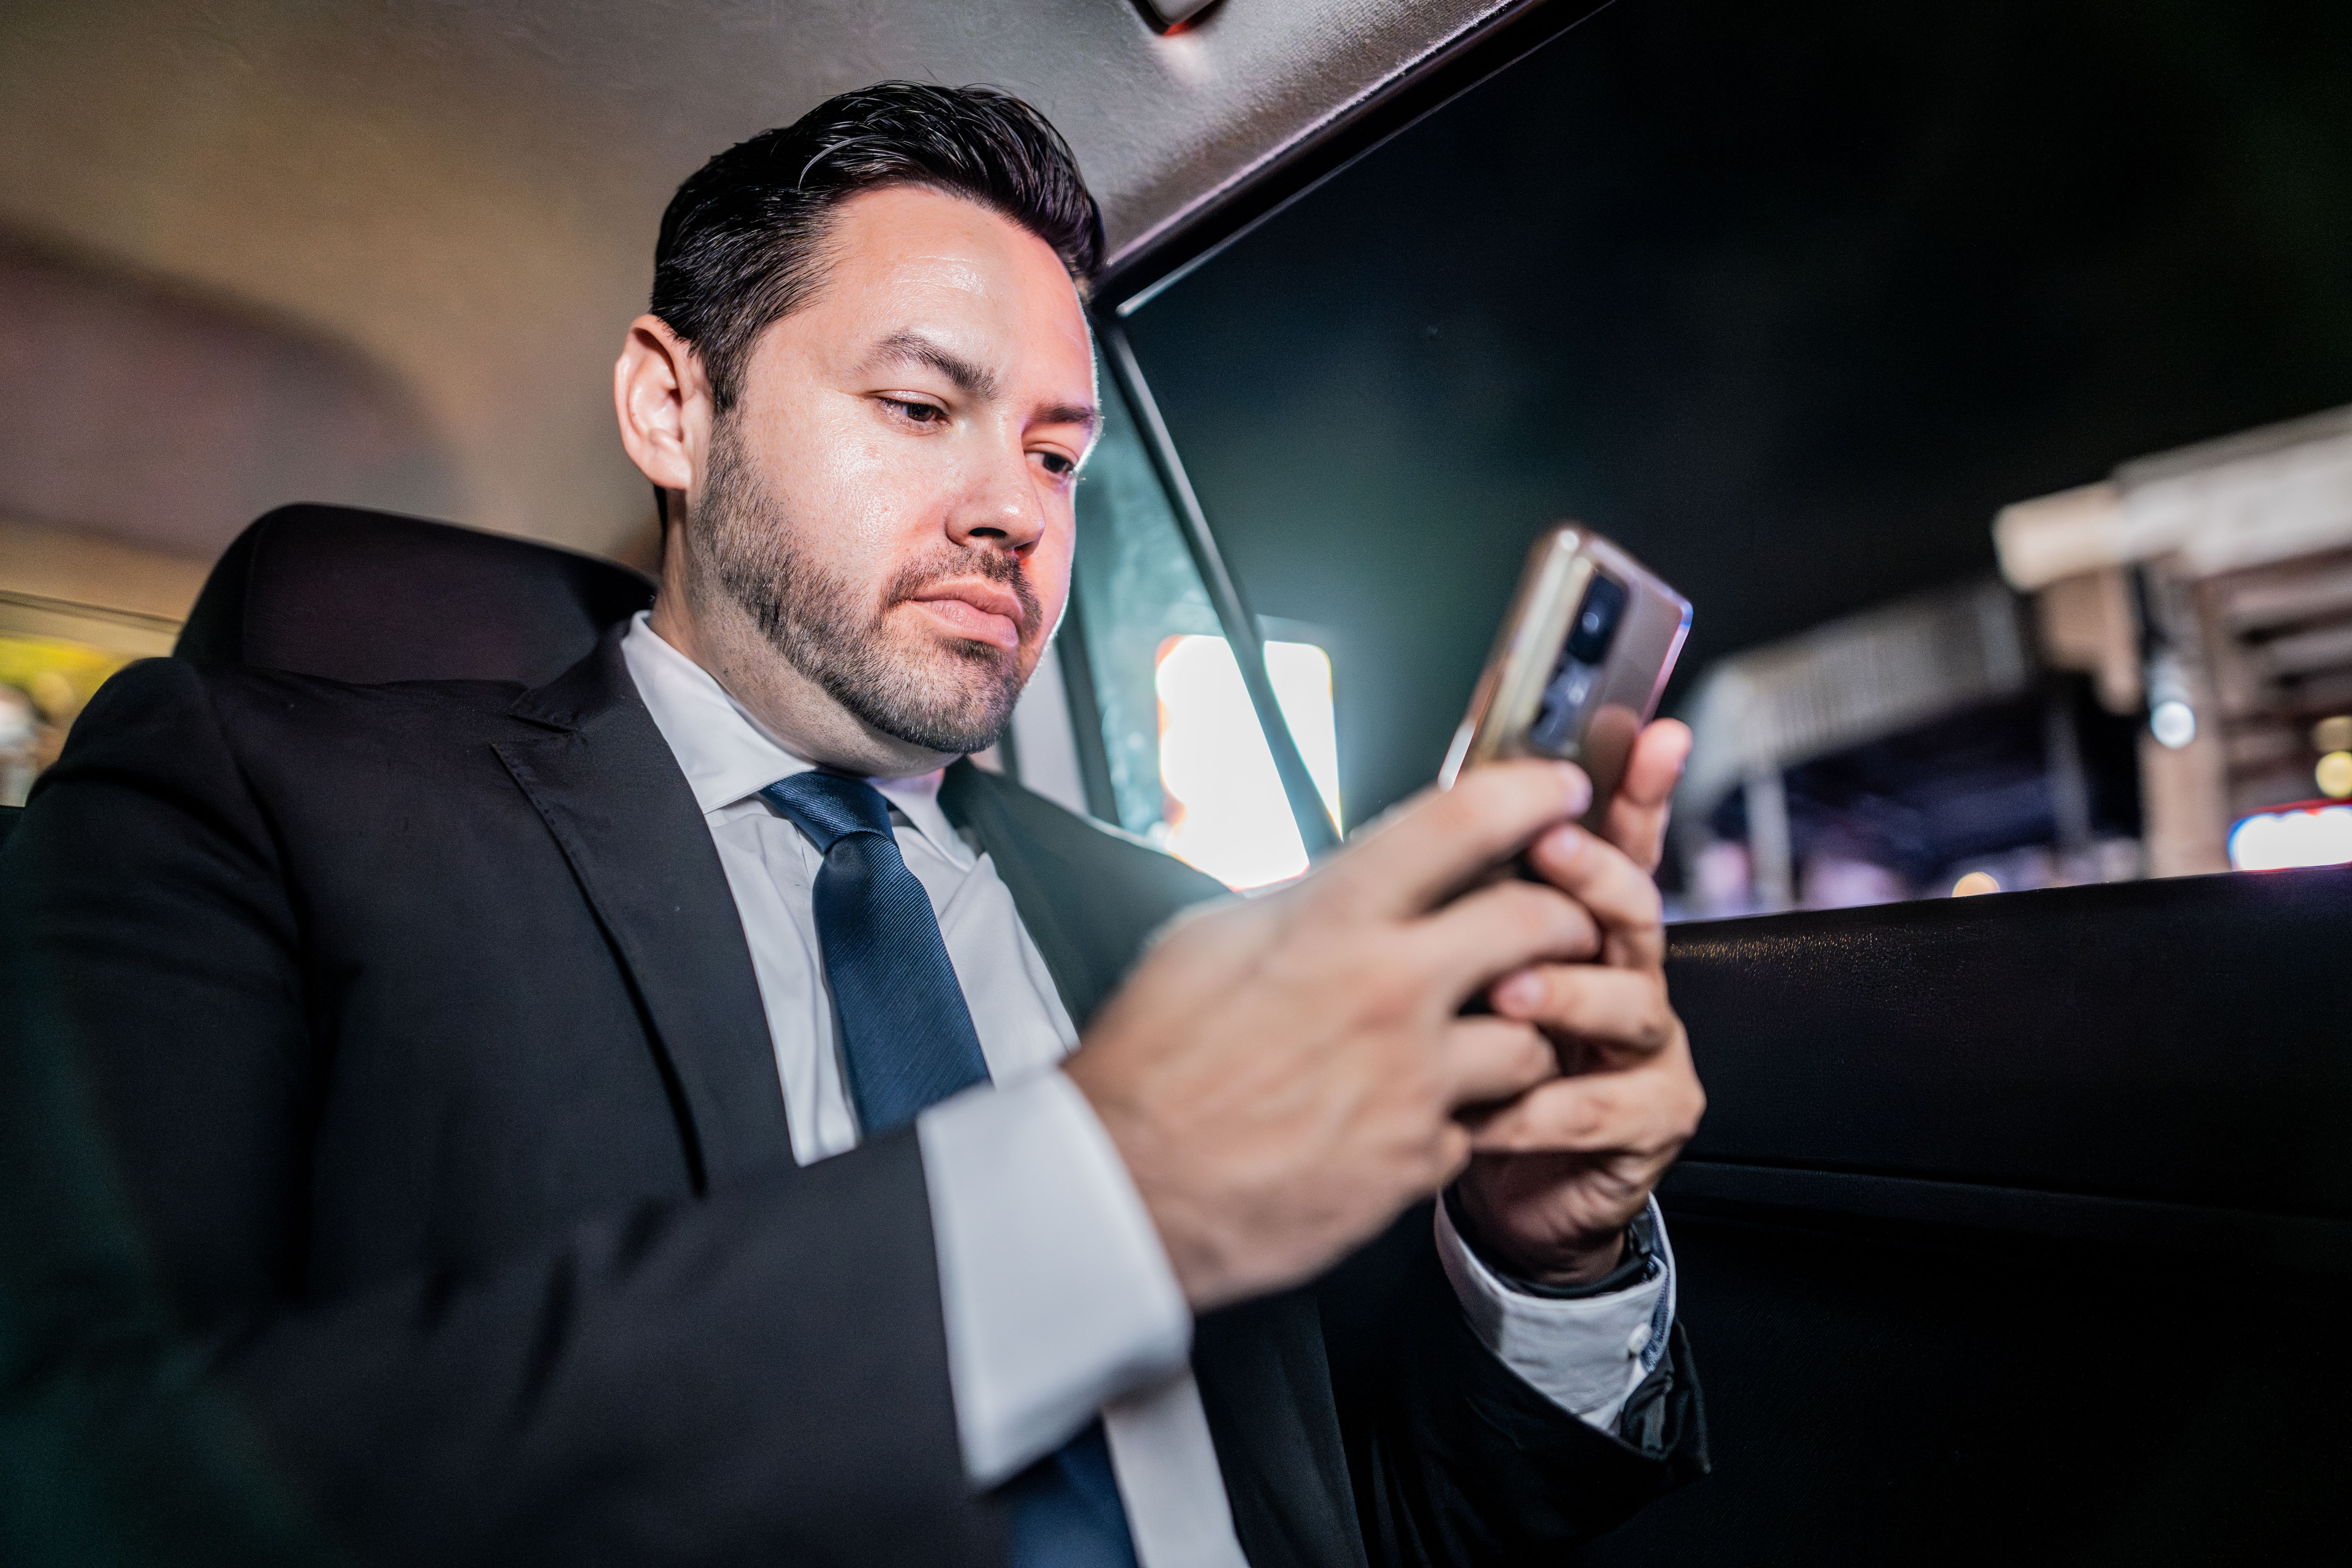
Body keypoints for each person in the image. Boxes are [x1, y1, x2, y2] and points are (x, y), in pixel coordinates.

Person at [0, 84, 1706, 1565]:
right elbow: (84, 1480)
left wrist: (1540, 1259)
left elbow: (1387, 1525)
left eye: (1056, 453)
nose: (1012, 514)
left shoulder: (1187, 928)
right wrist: (1101, 1195)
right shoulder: (252, 798)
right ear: (674, 408)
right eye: (918, 408)